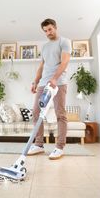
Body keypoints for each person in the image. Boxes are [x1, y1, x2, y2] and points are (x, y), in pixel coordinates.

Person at [28, 18, 71, 160]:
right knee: (36, 112)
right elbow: (42, 66)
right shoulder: (45, 46)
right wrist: (35, 81)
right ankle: (39, 145)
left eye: (50, 29)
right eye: (45, 31)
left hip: (59, 82)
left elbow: (64, 62)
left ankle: (59, 147)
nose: (48, 33)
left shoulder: (64, 42)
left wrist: (55, 78)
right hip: (43, 83)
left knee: (60, 114)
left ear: (55, 27)